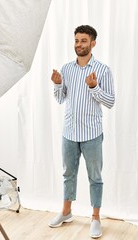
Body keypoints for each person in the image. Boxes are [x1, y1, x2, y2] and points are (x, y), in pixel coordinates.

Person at [48, 25, 115, 239]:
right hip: (69, 132)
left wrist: (94, 87)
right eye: (76, 40)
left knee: (95, 177)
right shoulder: (66, 69)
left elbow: (111, 102)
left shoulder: (102, 70)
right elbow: (60, 99)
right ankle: (66, 212)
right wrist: (58, 85)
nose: (79, 44)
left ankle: (95, 218)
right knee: (68, 174)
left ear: (93, 43)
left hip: (92, 133)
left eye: (84, 41)